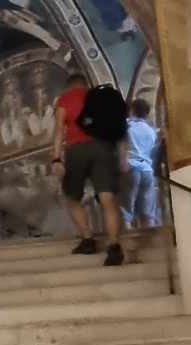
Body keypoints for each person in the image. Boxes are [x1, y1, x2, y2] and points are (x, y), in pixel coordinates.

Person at [51, 72, 126, 266]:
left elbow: (59, 130)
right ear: (86, 85)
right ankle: (114, 246)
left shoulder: (65, 99)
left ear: (69, 86)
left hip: (77, 150)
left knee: (72, 197)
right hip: (104, 148)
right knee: (107, 198)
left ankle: (88, 239)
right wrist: (123, 157)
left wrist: (56, 158)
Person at [122, 97, 161, 259]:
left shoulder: (127, 125)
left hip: (131, 167)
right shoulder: (151, 131)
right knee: (147, 212)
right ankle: (151, 247)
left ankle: (130, 246)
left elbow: (120, 144)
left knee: (126, 209)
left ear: (132, 110)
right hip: (147, 170)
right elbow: (154, 151)